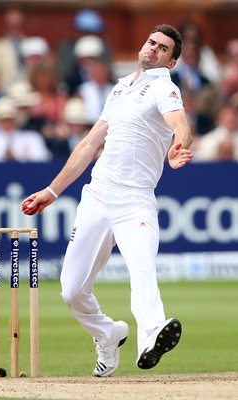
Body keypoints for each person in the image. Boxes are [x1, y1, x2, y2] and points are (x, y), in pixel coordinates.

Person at [22, 24, 193, 377]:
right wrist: (52, 191)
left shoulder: (164, 87)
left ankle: (151, 334)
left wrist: (180, 145)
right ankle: (108, 334)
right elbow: (88, 145)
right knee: (71, 290)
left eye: (162, 48)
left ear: (171, 62)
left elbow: (180, 123)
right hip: (97, 197)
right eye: (151, 42)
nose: (153, 49)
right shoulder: (119, 89)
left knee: (142, 268)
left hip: (135, 203)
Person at [0, 97, 50, 162]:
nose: (7, 123)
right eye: (3, 120)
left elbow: (43, 156)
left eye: (10, 119)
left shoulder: (33, 138)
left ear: (16, 119)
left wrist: (18, 155)